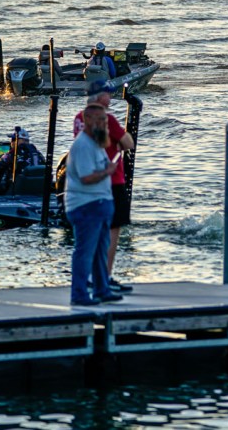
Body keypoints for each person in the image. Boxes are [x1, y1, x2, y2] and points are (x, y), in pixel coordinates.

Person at [73, 89, 135, 294]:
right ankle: (103, 278)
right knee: (111, 231)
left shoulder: (79, 119)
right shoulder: (107, 120)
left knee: (91, 232)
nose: (110, 97)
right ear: (99, 98)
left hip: (88, 182)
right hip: (111, 181)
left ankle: (90, 277)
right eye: (107, 94)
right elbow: (128, 143)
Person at [64, 104, 121, 306]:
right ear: (87, 120)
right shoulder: (82, 145)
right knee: (85, 251)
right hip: (86, 205)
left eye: (105, 119)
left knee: (100, 251)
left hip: (100, 203)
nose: (104, 123)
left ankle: (101, 290)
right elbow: (86, 177)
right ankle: (79, 294)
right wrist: (108, 171)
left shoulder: (97, 143)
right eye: (99, 119)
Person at [0, 127, 45, 194]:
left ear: (19, 140)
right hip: (36, 189)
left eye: (13, 139)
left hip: (16, 189)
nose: (12, 142)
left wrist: (1, 157)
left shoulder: (12, 154)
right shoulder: (38, 154)